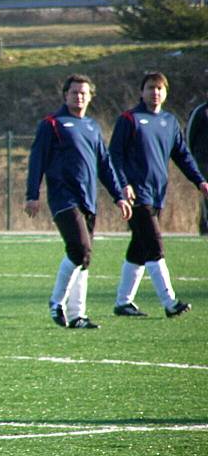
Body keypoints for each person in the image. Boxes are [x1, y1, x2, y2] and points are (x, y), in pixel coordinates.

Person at [25, 74, 133, 329]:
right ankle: (56, 302)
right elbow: (36, 160)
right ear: (65, 95)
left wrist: (118, 196)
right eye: (74, 92)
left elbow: (105, 165)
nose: (79, 97)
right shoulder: (51, 124)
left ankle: (77, 316)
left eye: (84, 93)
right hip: (64, 198)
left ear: (90, 96)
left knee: (84, 258)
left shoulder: (92, 127)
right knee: (80, 249)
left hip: (88, 199)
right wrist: (32, 194)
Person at [109, 72, 208, 318]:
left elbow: (182, 155)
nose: (155, 92)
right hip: (136, 196)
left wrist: (200, 180)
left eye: (160, 88)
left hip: (156, 194)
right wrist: (123, 184)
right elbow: (115, 156)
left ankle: (123, 302)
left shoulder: (169, 122)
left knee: (139, 248)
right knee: (154, 245)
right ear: (141, 92)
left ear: (165, 92)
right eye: (150, 88)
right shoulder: (129, 119)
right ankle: (170, 302)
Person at [185, 93, 208, 235]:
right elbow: (189, 135)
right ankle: (205, 228)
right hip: (204, 161)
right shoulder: (201, 112)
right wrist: (192, 160)